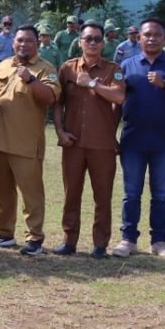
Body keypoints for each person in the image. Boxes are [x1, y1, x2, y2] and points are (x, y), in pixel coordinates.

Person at [111, 18, 165, 258]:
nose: (152, 38)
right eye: (147, 34)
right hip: (133, 140)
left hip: (164, 142)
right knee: (131, 193)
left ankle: (159, 241)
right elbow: (116, 102)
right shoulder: (126, 65)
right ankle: (128, 239)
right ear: (139, 38)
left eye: (157, 35)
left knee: (160, 194)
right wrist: (111, 135)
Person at [54, 21, 125, 259]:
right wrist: (60, 132)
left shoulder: (113, 69)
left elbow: (119, 96)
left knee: (102, 195)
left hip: (102, 144)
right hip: (73, 142)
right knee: (71, 193)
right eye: (88, 38)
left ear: (103, 43)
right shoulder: (68, 68)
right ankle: (69, 240)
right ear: (80, 42)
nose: (92, 43)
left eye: (97, 39)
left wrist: (92, 83)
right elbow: (57, 103)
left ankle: (100, 244)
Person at [0, 25, 60, 254]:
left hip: (26, 143)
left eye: (29, 41)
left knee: (31, 194)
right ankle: (4, 232)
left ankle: (34, 237)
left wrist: (30, 80)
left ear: (37, 43)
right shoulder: (3, 65)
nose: (23, 44)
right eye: (20, 40)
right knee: (2, 191)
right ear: (13, 43)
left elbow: (50, 97)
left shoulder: (44, 69)